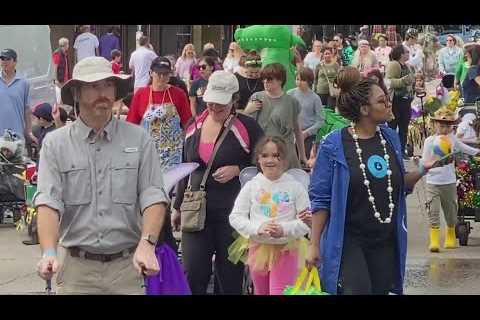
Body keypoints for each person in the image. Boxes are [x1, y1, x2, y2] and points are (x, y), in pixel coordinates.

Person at [34, 57, 169, 295]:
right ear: (76, 93)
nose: (103, 93)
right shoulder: (55, 144)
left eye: (108, 85)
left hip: (127, 268)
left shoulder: (139, 139)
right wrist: (49, 252)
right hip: (77, 270)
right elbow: (48, 202)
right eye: (93, 86)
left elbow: (153, 195)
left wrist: (147, 244)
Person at [306, 67, 442, 295]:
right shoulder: (334, 144)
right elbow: (321, 199)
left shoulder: (389, 138)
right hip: (349, 240)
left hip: (385, 240)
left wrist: (422, 169)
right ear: (364, 109)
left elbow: (397, 186)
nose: (389, 103)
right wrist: (314, 244)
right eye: (382, 101)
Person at [172, 71, 264, 294]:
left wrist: (238, 170)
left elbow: (266, 165)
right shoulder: (195, 125)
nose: (214, 109)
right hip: (196, 210)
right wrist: (176, 207)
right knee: (194, 271)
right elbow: (185, 167)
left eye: (220, 105)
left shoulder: (248, 127)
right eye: (210, 104)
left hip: (233, 212)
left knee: (229, 276)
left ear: (234, 100)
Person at [229, 136, 310, 295]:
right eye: (265, 155)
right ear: (258, 159)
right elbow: (236, 216)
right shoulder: (252, 186)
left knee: (279, 291)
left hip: (286, 249)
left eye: (276, 155)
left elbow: (306, 221)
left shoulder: (295, 187)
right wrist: (257, 228)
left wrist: (284, 230)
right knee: (261, 291)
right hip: (258, 248)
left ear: (285, 159)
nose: (270, 160)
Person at [422, 107, 480, 252]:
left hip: (448, 181)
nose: (444, 128)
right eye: (441, 125)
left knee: (451, 211)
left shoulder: (453, 140)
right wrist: (428, 164)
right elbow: (424, 161)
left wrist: (477, 152)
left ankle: (450, 236)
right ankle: (434, 241)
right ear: (435, 125)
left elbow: (465, 148)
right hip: (432, 182)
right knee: (433, 211)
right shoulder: (430, 141)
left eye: (448, 125)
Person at [127, 56, 192, 169]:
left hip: (173, 155)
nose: (162, 77)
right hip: (147, 153)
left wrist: (184, 145)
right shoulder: (141, 94)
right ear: (151, 73)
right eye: (158, 73)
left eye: (166, 74)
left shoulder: (179, 94)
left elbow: (187, 123)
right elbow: (131, 125)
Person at [244, 63, 307, 169]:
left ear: (280, 80)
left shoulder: (291, 102)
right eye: (264, 79)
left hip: (285, 153)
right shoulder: (257, 97)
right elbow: (245, 126)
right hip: (263, 153)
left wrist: (302, 155)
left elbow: (297, 130)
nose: (265, 82)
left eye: (269, 79)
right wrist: (247, 111)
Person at [0, 48, 37, 145]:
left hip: (17, 136)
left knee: (17, 160)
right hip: (0, 137)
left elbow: (27, 110)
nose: (4, 62)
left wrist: (29, 132)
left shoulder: (24, 83)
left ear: (15, 61)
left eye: (8, 59)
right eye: (2, 58)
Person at [287, 67, 324, 159]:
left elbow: (320, 120)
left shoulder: (315, 98)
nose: (299, 82)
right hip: (291, 133)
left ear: (309, 81)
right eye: (297, 79)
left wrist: (306, 133)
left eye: (303, 80)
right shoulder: (290, 94)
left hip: (308, 134)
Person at [386, 45, 415, 160]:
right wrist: (404, 81)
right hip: (396, 101)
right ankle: (392, 151)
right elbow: (389, 81)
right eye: (407, 52)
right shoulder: (394, 64)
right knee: (393, 127)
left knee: (404, 127)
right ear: (401, 54)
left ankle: (401, 151)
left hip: (406, 101)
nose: (408, 54)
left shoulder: (406, 65)